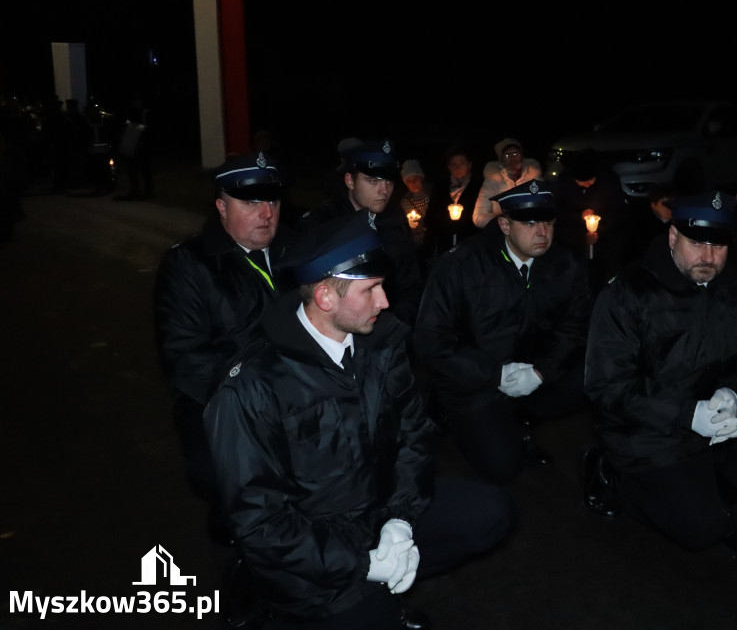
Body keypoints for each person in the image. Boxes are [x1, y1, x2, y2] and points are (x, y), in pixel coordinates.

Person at [204, 215, 514, 629]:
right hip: (314, 542)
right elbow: (260, 521)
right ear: (326, 297)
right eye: (370, 290)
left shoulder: (381, 344)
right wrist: (361, 563)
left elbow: (414, 438)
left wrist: (400, 522)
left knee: (490, 512)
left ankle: (381, 585)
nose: (385, 301)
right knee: (370, 613)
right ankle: (296, 603)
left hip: (380, 511)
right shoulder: (253, 386)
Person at [582, 190, 737, 555]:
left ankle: (713, 493)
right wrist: (688, 415)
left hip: (714, 411)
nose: (709, 257)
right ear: (672, 237)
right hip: (647, 430)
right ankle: (612, 475)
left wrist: (733, 394)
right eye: (696, 243)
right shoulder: (629, 293)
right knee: (702, 531)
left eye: (718, 246)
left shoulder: (736, 282)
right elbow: (607, 384)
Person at [153, 151, 290, 543]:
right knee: (219, 474)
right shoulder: (189, 265)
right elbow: (183, 356)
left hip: (298, 387)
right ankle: (237, 542)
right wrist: (256, 391)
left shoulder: (297, 254)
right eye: (250, 202)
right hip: (221, 397)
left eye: (273, 201)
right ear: (221, 206)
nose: (266, 212)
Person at [416, 179, 591, 484]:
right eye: (530, 223)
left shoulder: (565, 262)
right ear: (505, 225)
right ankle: (454, 416)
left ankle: (521, 417)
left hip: (533, 369)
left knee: (593, 376)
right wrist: (494, 374)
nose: (542, 232)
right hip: (475, 381)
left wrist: (541, 372)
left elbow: (574, 327)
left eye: (548, 221)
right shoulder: (461, 265)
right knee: (503, 468)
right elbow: (431, 339)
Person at [300, 140, 423, 328]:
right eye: (373, 181)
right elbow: (308, 293)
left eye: (389, 181)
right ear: (350, 181)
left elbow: (411, 285)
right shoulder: (323, 225)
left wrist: (395, 326)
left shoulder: (396, 221)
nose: (384, 191)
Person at [553, 150, 629, 292]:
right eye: (582, 183)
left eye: (590, 181)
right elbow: (556, 210)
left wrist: (600, 232)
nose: (587, 185)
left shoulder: (609, 179)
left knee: (602, 269)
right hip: (572, 236)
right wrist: (579, 216)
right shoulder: (563, 182)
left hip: (605, 237)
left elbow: (618, 211)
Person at [422, 145, 483, 256]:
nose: (457, 167)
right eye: (453, 164)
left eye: (462, 163)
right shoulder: (440, 188)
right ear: (449, 167)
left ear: (469, 165)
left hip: (470, 245)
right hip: (444, 246)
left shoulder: (479, 187)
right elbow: (431, 216)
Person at [471, 138, 540, 228]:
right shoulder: (492, 182)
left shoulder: (535, 180)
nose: (513, 158)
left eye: (516, 154)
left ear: (522, 156)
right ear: (502, 160)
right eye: (508, 155)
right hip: (502, 234)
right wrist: (505, 220)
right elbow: (478, 217)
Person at [397, 159, 431, 248]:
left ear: (421, 178)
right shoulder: (405, 203)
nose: (413, 183)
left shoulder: (432, 197)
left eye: (415, 179)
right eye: (409, 181)